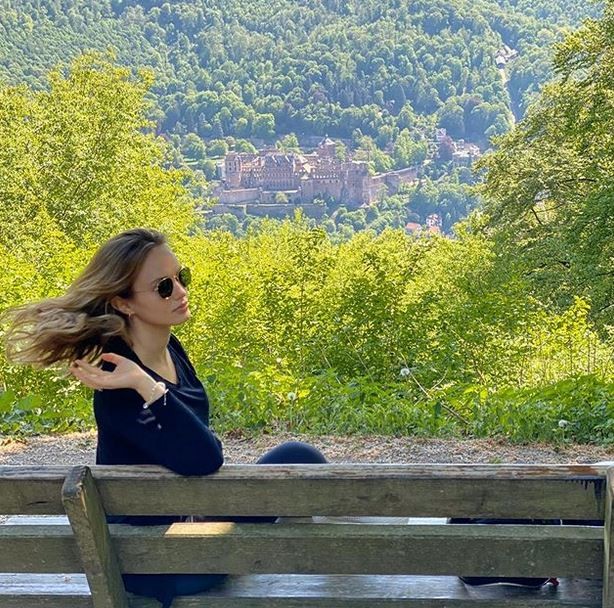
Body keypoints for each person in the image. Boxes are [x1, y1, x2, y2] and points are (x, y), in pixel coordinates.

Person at [4, 227, 327, 607]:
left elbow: (193, 442)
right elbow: (205, 458)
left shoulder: (170, 347)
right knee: (285, 515)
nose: (180, 291)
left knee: (299, 457)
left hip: (191, 525)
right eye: (164, 287)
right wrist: (147, 386)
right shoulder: (119, 385)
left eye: (181, 277)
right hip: (155, 561)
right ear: (124, 303)